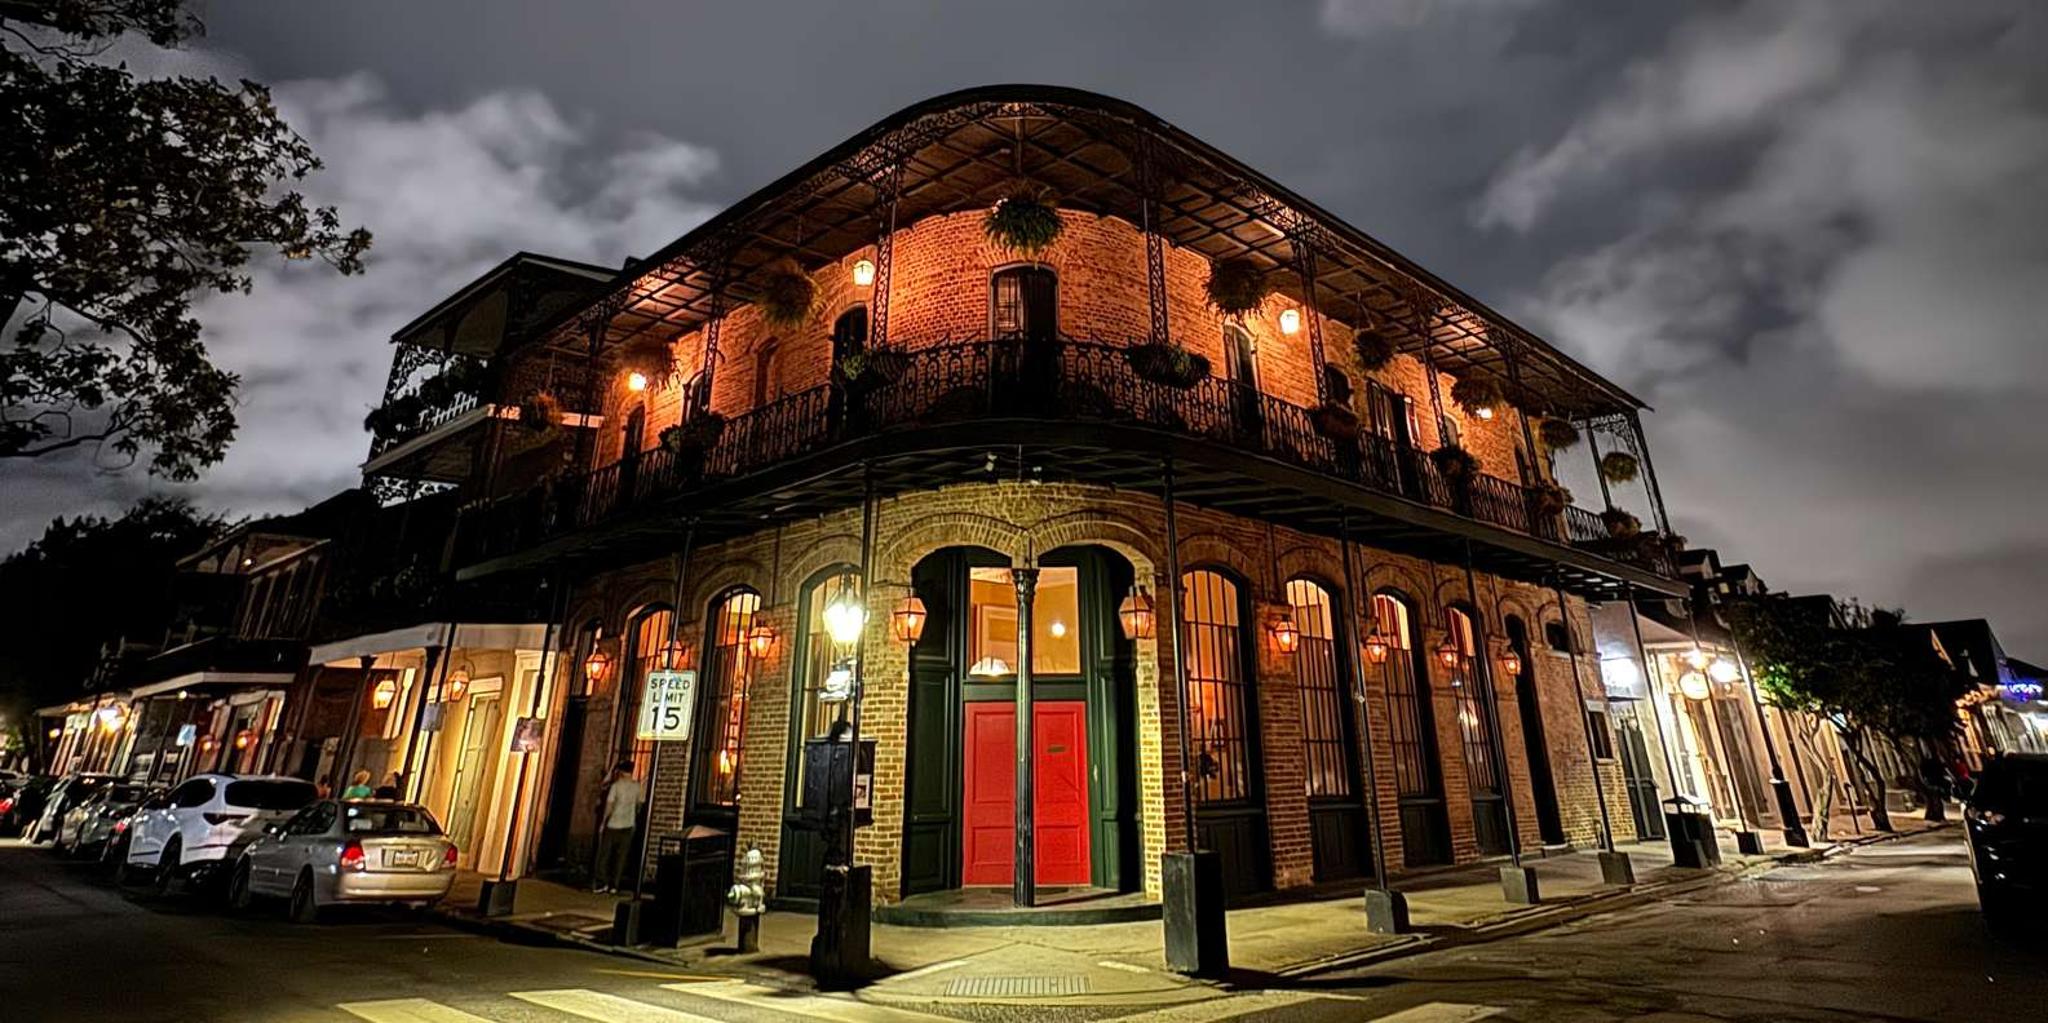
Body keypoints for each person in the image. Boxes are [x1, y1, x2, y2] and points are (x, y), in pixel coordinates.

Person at [594, 761, 643, 894]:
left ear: (621, 771)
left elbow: (609, 805)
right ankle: (615, 885)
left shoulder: (616, 786)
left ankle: (602, 883)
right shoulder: (637, 787)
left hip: (613, 823)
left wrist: (603, 822)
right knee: (621, 857)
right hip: (628, 824)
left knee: (605, 854)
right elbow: (639, 805)